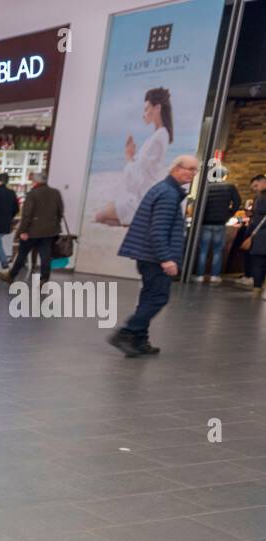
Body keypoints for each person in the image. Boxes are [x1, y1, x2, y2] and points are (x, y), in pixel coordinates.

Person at [108, 154, 198, 357]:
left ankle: (140, 340)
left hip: (148, 256)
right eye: (189, 169)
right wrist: (166, 258)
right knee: (158, 297)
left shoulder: (165, 190)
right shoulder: (168, 194)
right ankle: (127, 332)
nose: (193, 174)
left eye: (195, 170)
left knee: (149, 297)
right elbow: (158, 230)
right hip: (155, 257)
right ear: (175, 168)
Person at [94, 87, 174, 227]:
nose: (144, 114)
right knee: (106, 210)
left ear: (157, 108)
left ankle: (135, 221)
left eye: (146, 109)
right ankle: (133, 222)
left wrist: (129, 157)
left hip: (140, 198)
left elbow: (138, 178)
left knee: (99, 216)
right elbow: (143, 168)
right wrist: (132, 157)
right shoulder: (159, 135)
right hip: (140, 195)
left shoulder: (159, 136)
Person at [0, 171, 63, 285]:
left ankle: (11, 275)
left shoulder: (33, 194)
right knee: (45, 255)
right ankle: (44, 279)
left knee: (22, 254)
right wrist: (54, 225)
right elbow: (60, 211)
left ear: (35, 181)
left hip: (32, 231)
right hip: (49, 231)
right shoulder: (55, 193)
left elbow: (27, 215)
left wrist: (22, 231)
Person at [196, 175, 240, 283]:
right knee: (217, 251)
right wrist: (228, 215)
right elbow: (237, 202)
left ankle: (200, 276)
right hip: (220, 222)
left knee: (203, 250)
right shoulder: (230, 187)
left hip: (205, 222)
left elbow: (198, 202)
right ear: (223, 176)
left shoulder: (206, 187)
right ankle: (214, 276)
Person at [236, 174, 266, 296]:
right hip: (260, 234)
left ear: (263, 182)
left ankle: (257, 288)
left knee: (259, 263)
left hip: (261, 235)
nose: (255, 189)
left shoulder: (262, 198)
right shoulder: (260, 198)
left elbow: (259, 218)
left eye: (256, 185)